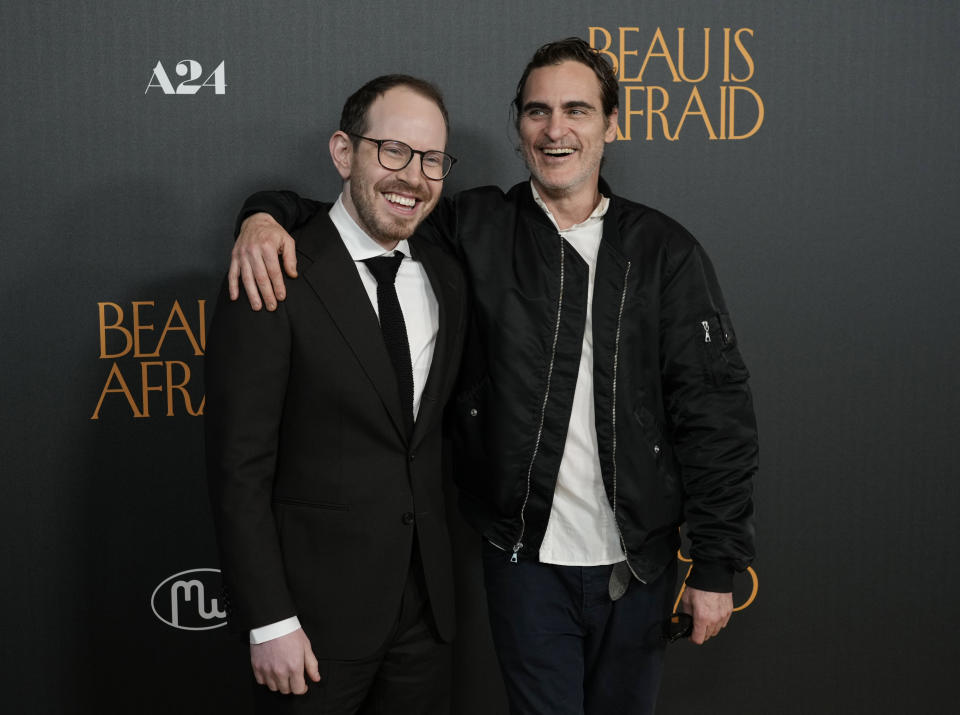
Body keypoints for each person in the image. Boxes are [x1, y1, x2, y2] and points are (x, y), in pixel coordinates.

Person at [230, 38, 758, 715]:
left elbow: (715, 414)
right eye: (537, 111)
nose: (556, 129)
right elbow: (371, 204)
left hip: (640, 566)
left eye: (577, 110)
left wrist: (715, 562)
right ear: (518, 128)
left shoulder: (666, 252)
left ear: (612, 124)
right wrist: (265, 213)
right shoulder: (473, 226)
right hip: (524, 568)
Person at [205, 74, 468, 715]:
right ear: (344, 153)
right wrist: (269, 620)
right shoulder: (275, 271)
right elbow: (238, 467)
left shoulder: (448, 275)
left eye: (432, 159)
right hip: (310, 626)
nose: (414, 176)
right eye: (393, 151)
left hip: (425, 619)